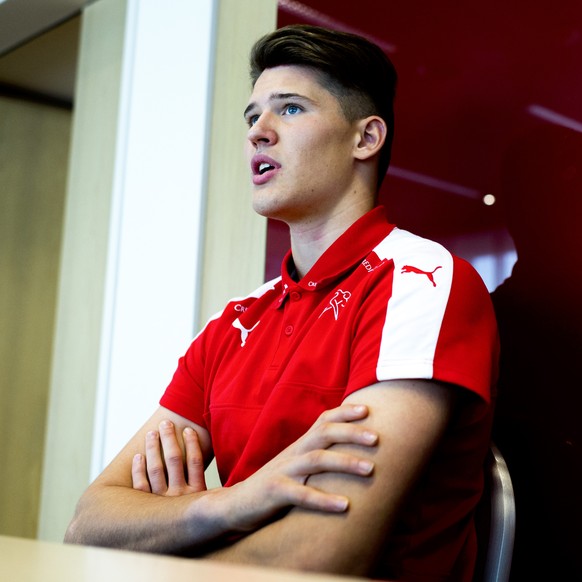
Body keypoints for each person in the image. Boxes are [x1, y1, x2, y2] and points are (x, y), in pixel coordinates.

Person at [65, 25, 499, 581]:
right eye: (251, 117)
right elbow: (89, 523)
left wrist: (171, 536)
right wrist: (232, 502)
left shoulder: (420, 283)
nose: (257, 133)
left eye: (289, 110)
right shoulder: (236, 320)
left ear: (365, 138)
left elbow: (319, 558)